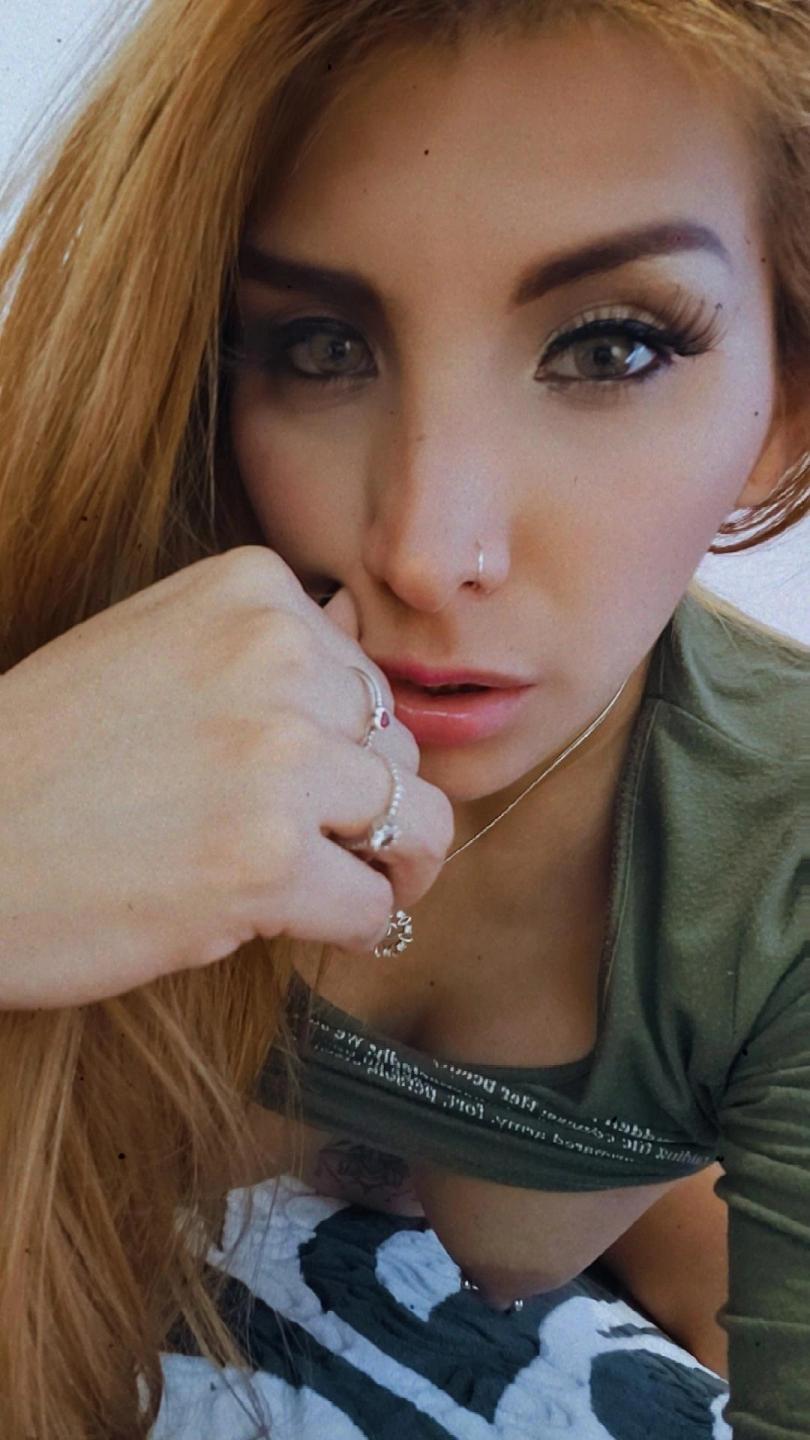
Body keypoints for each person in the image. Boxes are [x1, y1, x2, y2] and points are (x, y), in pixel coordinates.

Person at [0, 2, 806, 1438]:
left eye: (610, 349)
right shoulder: (67, 637)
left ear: (784, 406)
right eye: (318, 347)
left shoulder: (779, 870)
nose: (429, 553)